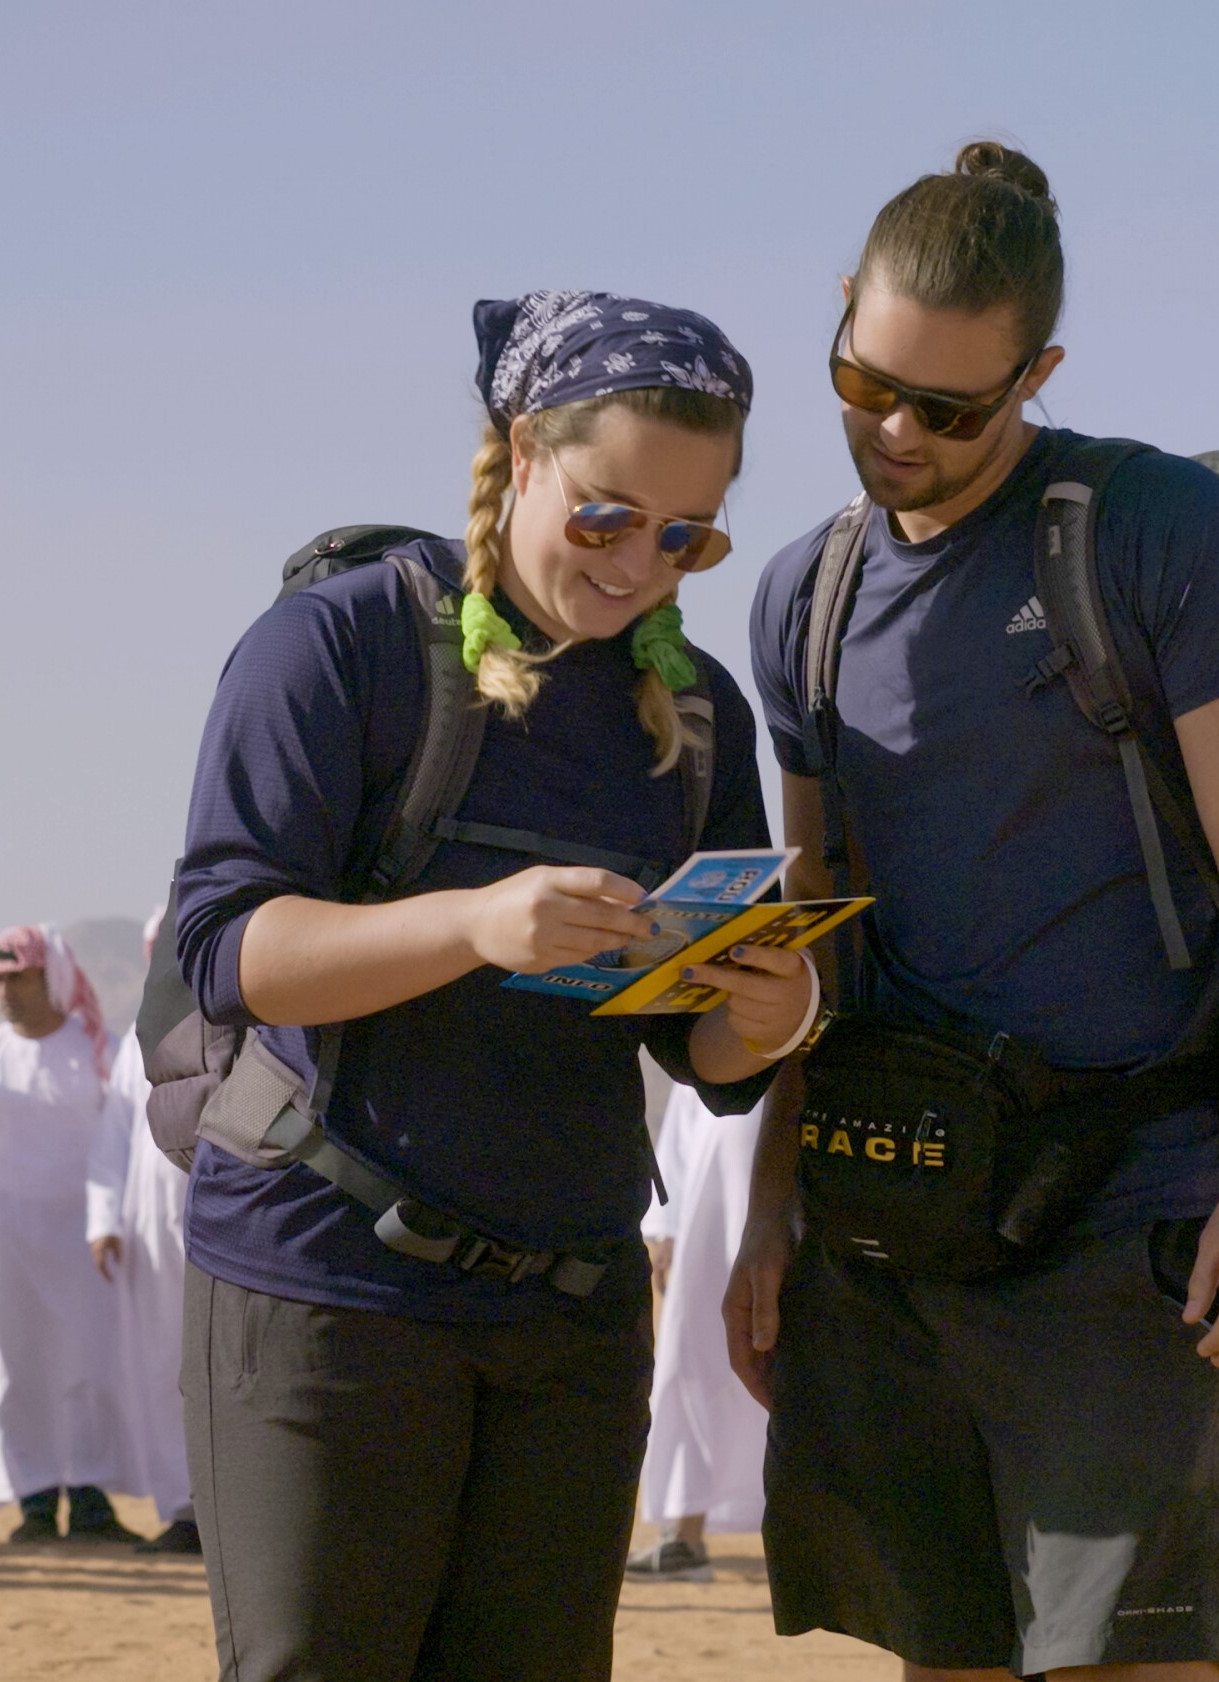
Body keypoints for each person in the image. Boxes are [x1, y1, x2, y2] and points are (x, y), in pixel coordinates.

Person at [729, 143, 1219, 1682]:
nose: (894, 431)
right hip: (892, 1225)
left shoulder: (1156, 529)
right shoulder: (803, 593)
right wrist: (769, 1215)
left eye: (949, 408)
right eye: (862, 383)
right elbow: (821, 920)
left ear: (1040, 373)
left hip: (1130, 1223)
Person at [172, 290, 817, 1682]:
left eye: (685, 535)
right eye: (605, 513)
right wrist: (470, 924)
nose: (640, 562)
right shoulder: (340, 650)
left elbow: (703, 1051)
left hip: (568, 1315)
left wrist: (759, 1019)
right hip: (329, 1285)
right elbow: (227, 949)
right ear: (522, 452)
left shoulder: (692, 709)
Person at [0, 922, 144, 1546]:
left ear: (52, 977)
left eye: (18, 977)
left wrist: (104, 1217)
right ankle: (34, 1504)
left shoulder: (100, 1051)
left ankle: (88, 1501)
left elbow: (119, 1146)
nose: (5, 990)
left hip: (88, 1242)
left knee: (89, 1364)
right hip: (5, 1237)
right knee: (13, 1367)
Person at [628, 1081, 769, 1585]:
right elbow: (690, 1103)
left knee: (794, 1364)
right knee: (691, 1360)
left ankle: (824, 1548)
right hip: (707, 1210)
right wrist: (662, 1224)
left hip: (789, 1211)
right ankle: (684, 1537)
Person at [107, 906, 202, 1555]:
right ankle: (181, 1510)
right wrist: (101, 1219)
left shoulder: (238, 1019)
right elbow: (110, 1137)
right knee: (161, 1363)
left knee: (215, 1363)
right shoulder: (129, 1039)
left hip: (218, 1221)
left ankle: (220, 1509)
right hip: (148, 1229)